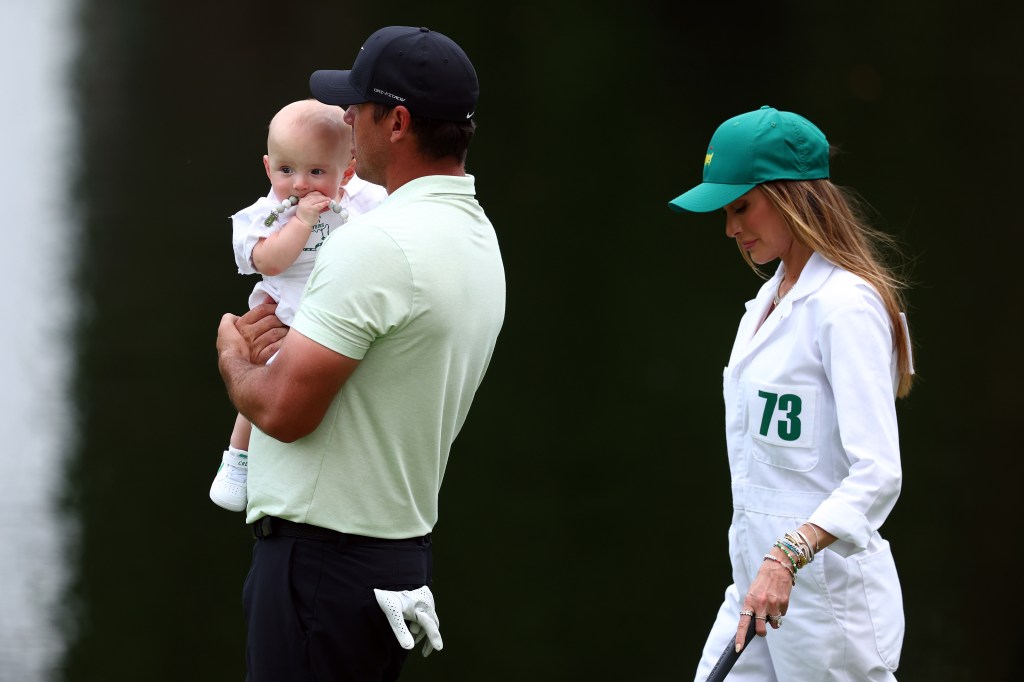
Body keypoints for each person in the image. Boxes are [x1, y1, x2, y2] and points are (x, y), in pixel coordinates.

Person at [216, 25, 505, 681]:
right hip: (394, 561)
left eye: (357, 105)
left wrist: (233, 356)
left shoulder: (374, 245)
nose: (343, 118)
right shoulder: (477, 235)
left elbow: (285, 412)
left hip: (320, 570)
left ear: (396, 121)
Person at [667, 106, 915, 681]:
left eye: (740, 207)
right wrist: (765, 564)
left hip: (830, 604)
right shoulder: (765, 303)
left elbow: (878, 473)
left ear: (791, 196)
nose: (731, 228)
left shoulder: (847, 306)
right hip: (756, 588)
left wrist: (788, 555)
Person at [210, 98, 388, 513]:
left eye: (316, 172)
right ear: (269, 167)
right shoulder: (270, 215)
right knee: (270, 375)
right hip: (288, 304)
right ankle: (237, 457)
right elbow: (269, 260)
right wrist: (303, 223)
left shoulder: (360, 198)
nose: (300, 184)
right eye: (287, 171)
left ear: (346, 170)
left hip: (338, 301)